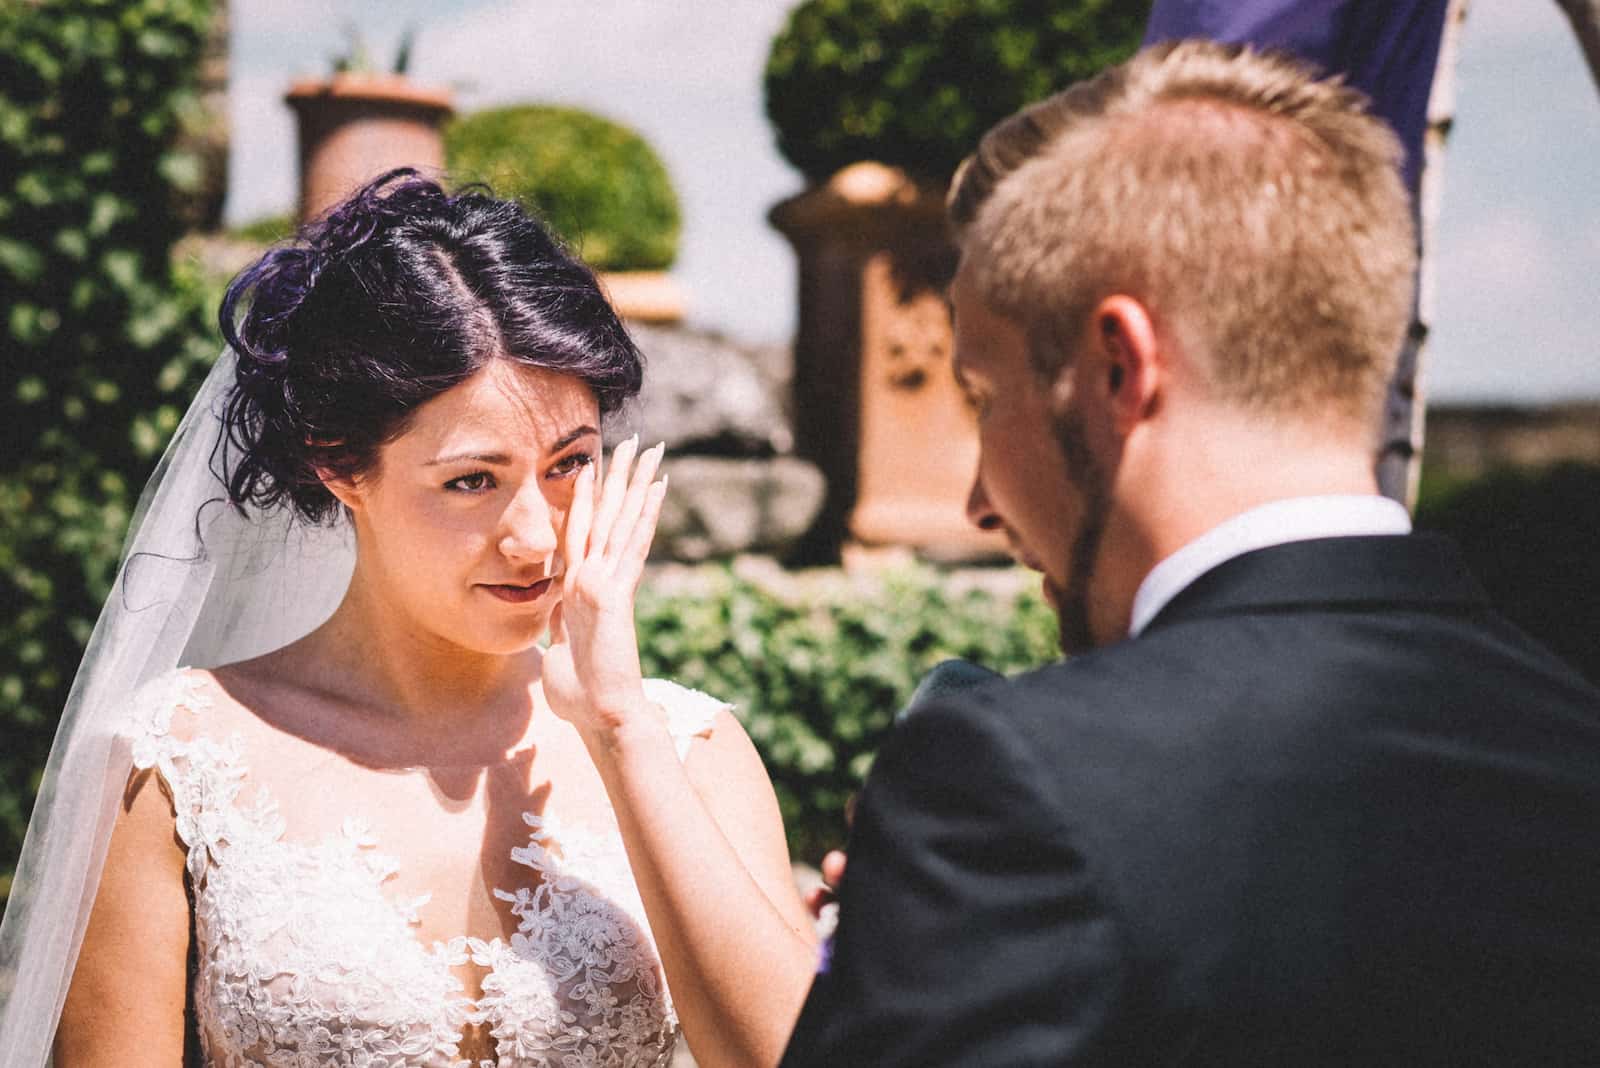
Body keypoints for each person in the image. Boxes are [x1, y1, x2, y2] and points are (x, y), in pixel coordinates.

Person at [780, 40, 1600, 1066]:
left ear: (1118, 368)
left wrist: (870, 962)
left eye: (985, 399)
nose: (979, 502)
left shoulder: (1014, 782)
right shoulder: (1571, 739)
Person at [0, 171, 816, 1068]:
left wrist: (622, 730)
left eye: (569, 464)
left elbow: (794, 1056)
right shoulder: (174, 760)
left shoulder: (690, 747)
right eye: (473, 480)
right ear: (340, 465)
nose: (536, 537)